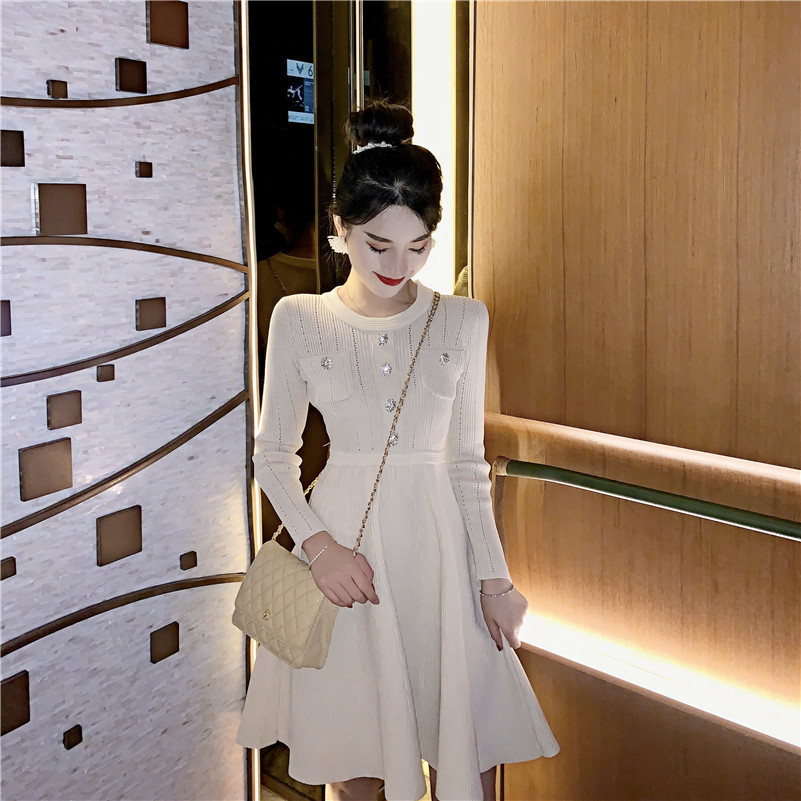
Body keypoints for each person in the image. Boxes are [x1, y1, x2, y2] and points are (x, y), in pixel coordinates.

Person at [236, 99, 559, 801]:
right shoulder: (300, 317)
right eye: (377, 244)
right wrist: (320, 548)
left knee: (464, 749)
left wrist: (495, 580)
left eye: (418, 247)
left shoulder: (462, 319)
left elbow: (466, 464)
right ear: (340, 229)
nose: (397, 265)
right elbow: (272, 455)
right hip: (345, 552)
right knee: (357, 759)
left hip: (441, 553)